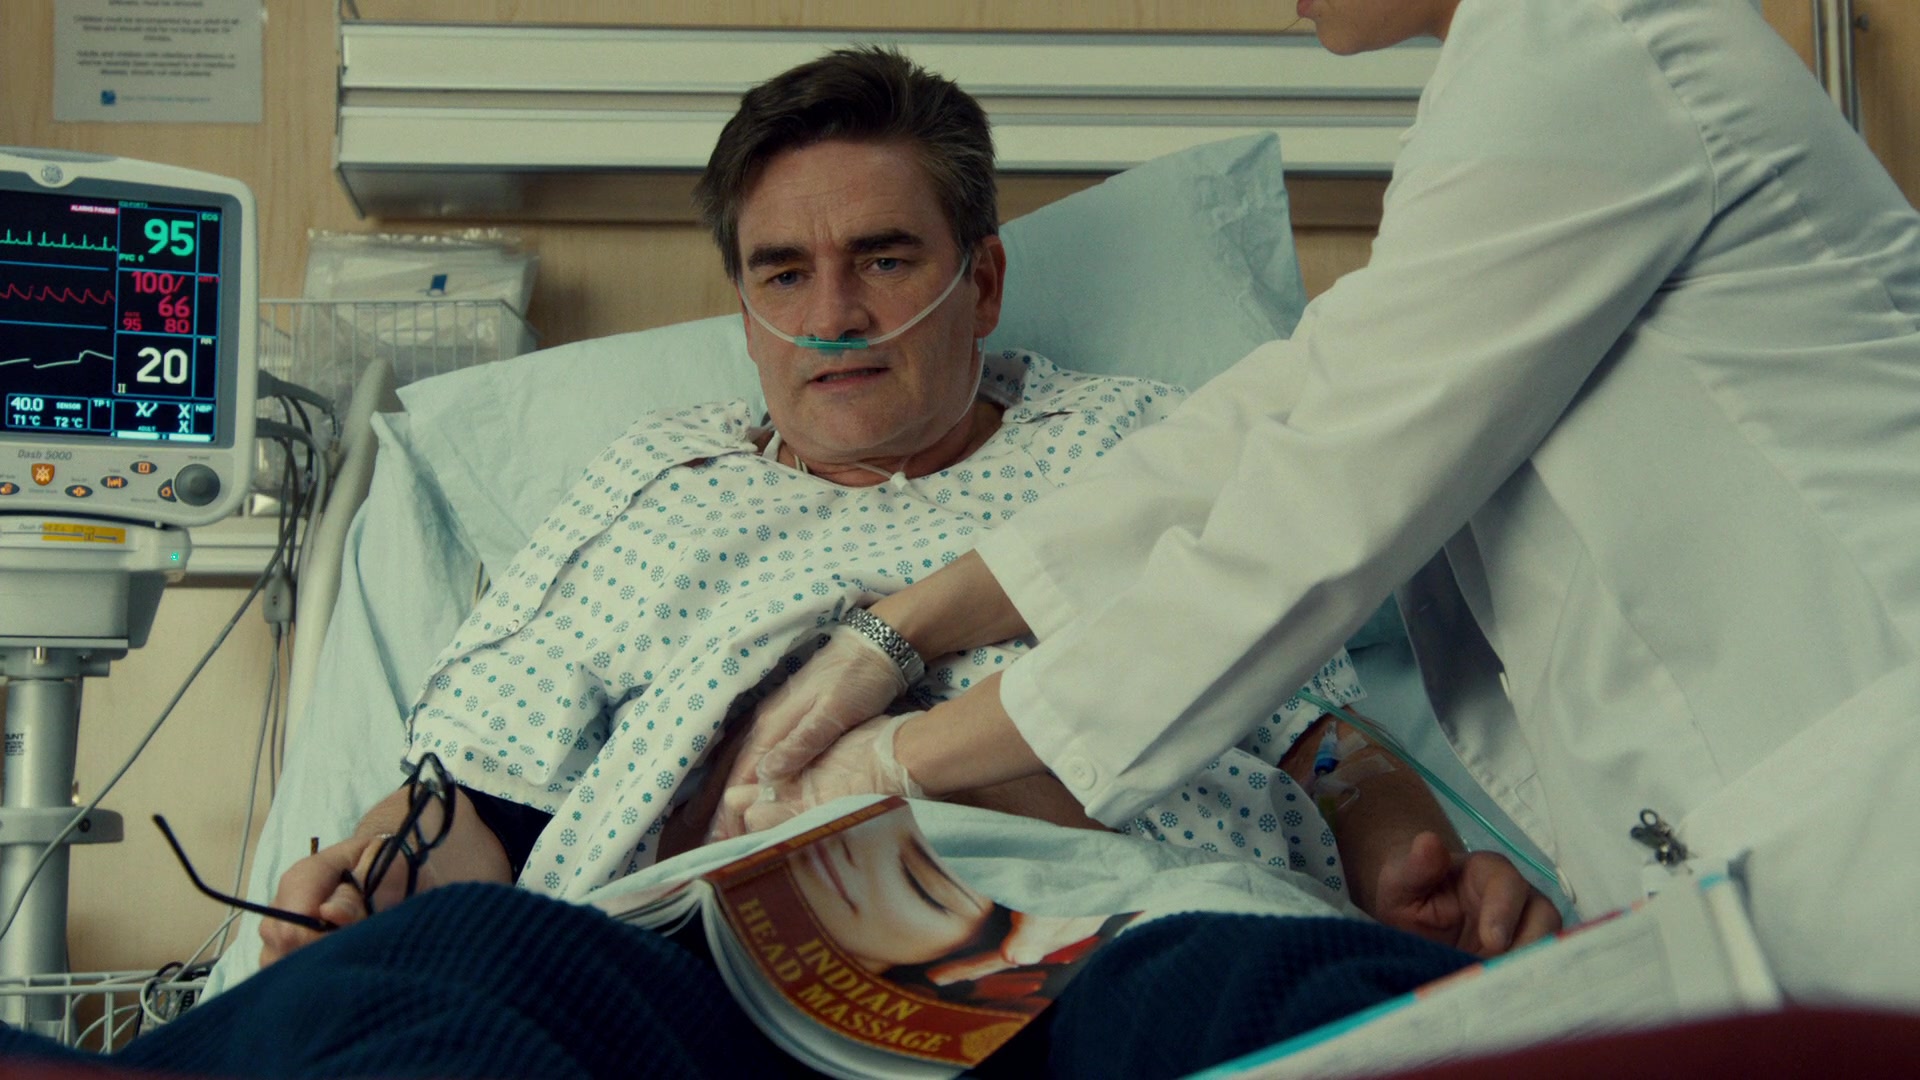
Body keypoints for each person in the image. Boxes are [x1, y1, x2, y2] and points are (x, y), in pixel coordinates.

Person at [727, 0, 1920, 1004]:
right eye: (782, 272)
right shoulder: (1514, 91)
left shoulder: (1588, 55)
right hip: (1745, 852)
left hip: (1862, 802)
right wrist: (896, 633)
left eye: (884, 258)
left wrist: (894, 762)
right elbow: (1282, 409)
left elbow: (1310, 525)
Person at [259, 45, 1552, 971]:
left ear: (980, 283)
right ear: (744, 310)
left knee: (1258, 1001)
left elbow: (1316, 735)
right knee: (391, 1022)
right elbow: (485, 789)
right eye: (784, 273)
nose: (832, 316)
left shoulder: (1130, 445)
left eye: (883, 258)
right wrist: (373, 883)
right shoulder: (653, 486)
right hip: (697, 952)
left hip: (1129, 917)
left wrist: (1404, 858)